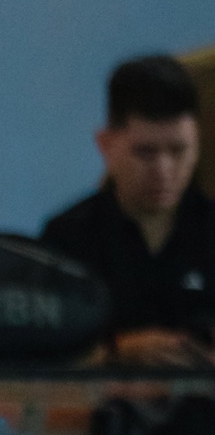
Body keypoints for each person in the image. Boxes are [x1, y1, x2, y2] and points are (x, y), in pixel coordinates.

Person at [41, 54, 215, 365]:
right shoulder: (68, 240)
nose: (163, 170)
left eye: (178, 151)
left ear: (198, 145)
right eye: (145, 152)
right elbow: (40, 360)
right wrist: (118, 353)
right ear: (106, 145)